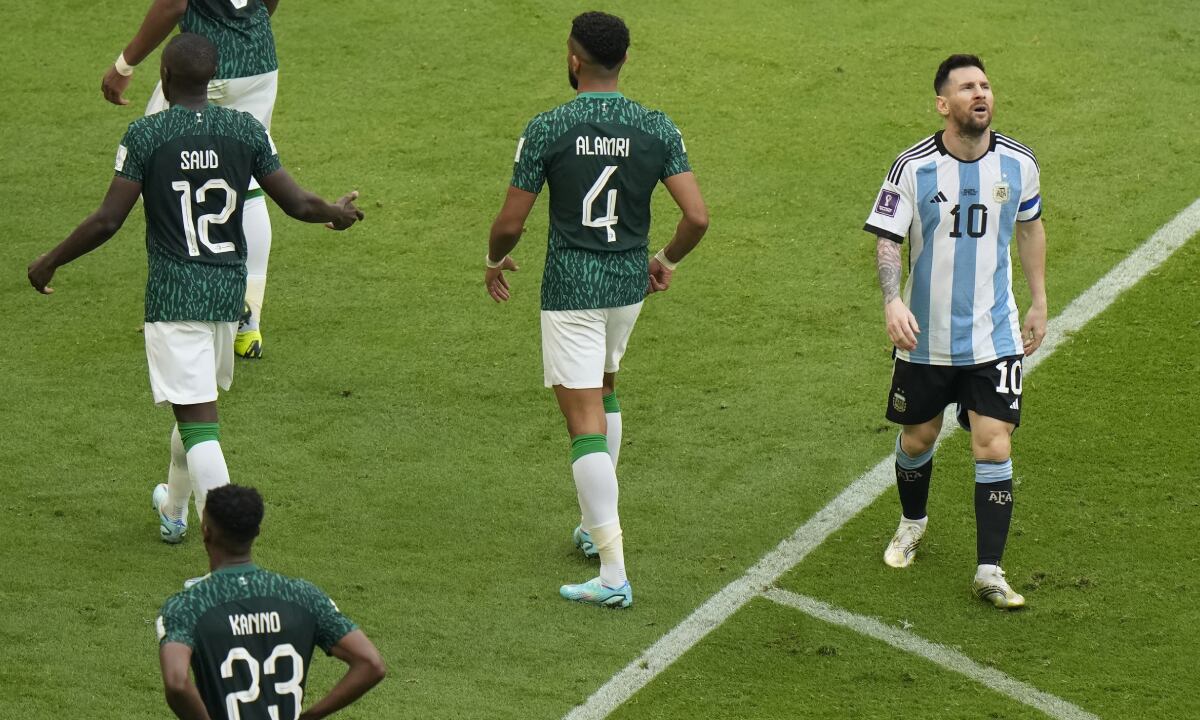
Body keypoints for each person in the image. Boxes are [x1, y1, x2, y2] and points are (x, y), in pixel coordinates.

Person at [28, 33, 362, 547]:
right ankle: (174, 508)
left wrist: (49, 262)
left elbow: (107, 220)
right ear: (213, 81)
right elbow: (296, 203)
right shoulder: (245, 128)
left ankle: (231, 557)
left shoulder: (146, 136)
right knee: (196, 406)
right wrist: (337, 214)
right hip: (229, 298)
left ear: (164, 79)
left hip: (174, 297)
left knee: (202, 426)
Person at [485, 11, 709, 608]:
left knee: (581, 420)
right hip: (628, 284)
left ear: (574, 59)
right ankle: (591, 526)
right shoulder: (655, 125)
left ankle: (613, 574)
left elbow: (511, 222)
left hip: (572, 290)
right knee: (604, 390)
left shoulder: (550, 126)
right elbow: (698, 217)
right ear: (624, 60)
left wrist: (493, 258)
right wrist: (665, 258)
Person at [863, 54, 1047, 609]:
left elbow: (1030, 230)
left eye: (986, 85)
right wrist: (892, 302)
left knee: (993, 444)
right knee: (918, 439)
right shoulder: (911, 167)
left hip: (994, 337)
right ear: (944, 105)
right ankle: (912, 522)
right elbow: (888, 238)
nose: (980, 94)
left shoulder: (1020, 164)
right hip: (926, 339)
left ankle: (989, 569)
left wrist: (1039, 301)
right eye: (967, 88)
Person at [102, 0, 284, 359]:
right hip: (259, 59)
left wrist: (124, 64)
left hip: (207, 63)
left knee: (153, 165)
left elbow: (173, 4)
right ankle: (248, 320)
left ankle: (207, 294)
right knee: (247, 179)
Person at [156, 484, 385, 720]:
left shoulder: (189, 605)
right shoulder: (303, 596)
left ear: (206, 531)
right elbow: (370, 663)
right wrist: (310, 716)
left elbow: (177, 683)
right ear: (257, 531)